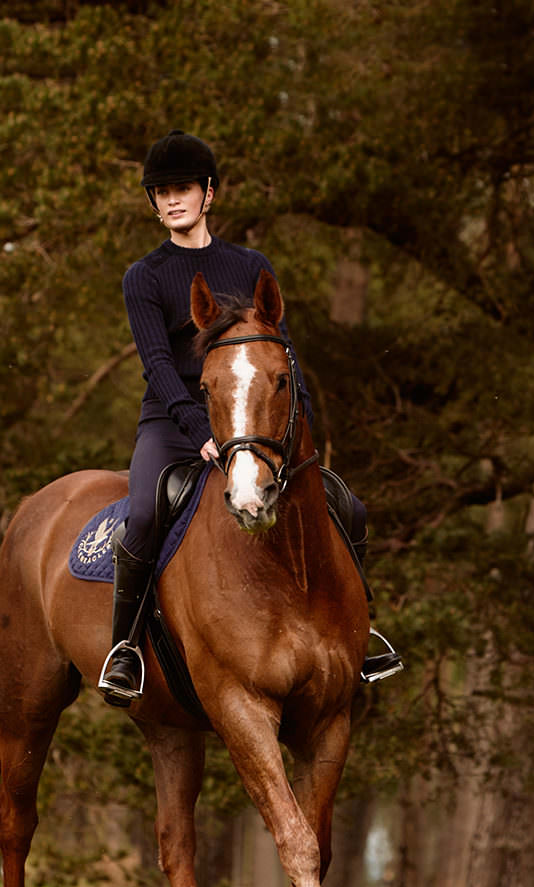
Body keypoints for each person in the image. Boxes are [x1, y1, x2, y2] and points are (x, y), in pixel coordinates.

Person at [98, 130, 370, 707]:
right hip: (175, 426)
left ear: (208, 195)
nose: (172, 201)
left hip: (261, 428)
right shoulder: (143, 278)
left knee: (348, 506)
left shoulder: (250, 265)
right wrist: (200, 434)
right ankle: (124, 648)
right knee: (144, 517)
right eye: (162, 192)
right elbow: (157, 366)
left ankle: (360, 633)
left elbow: (283, 355)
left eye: (183, 190)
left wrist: (299, 431)